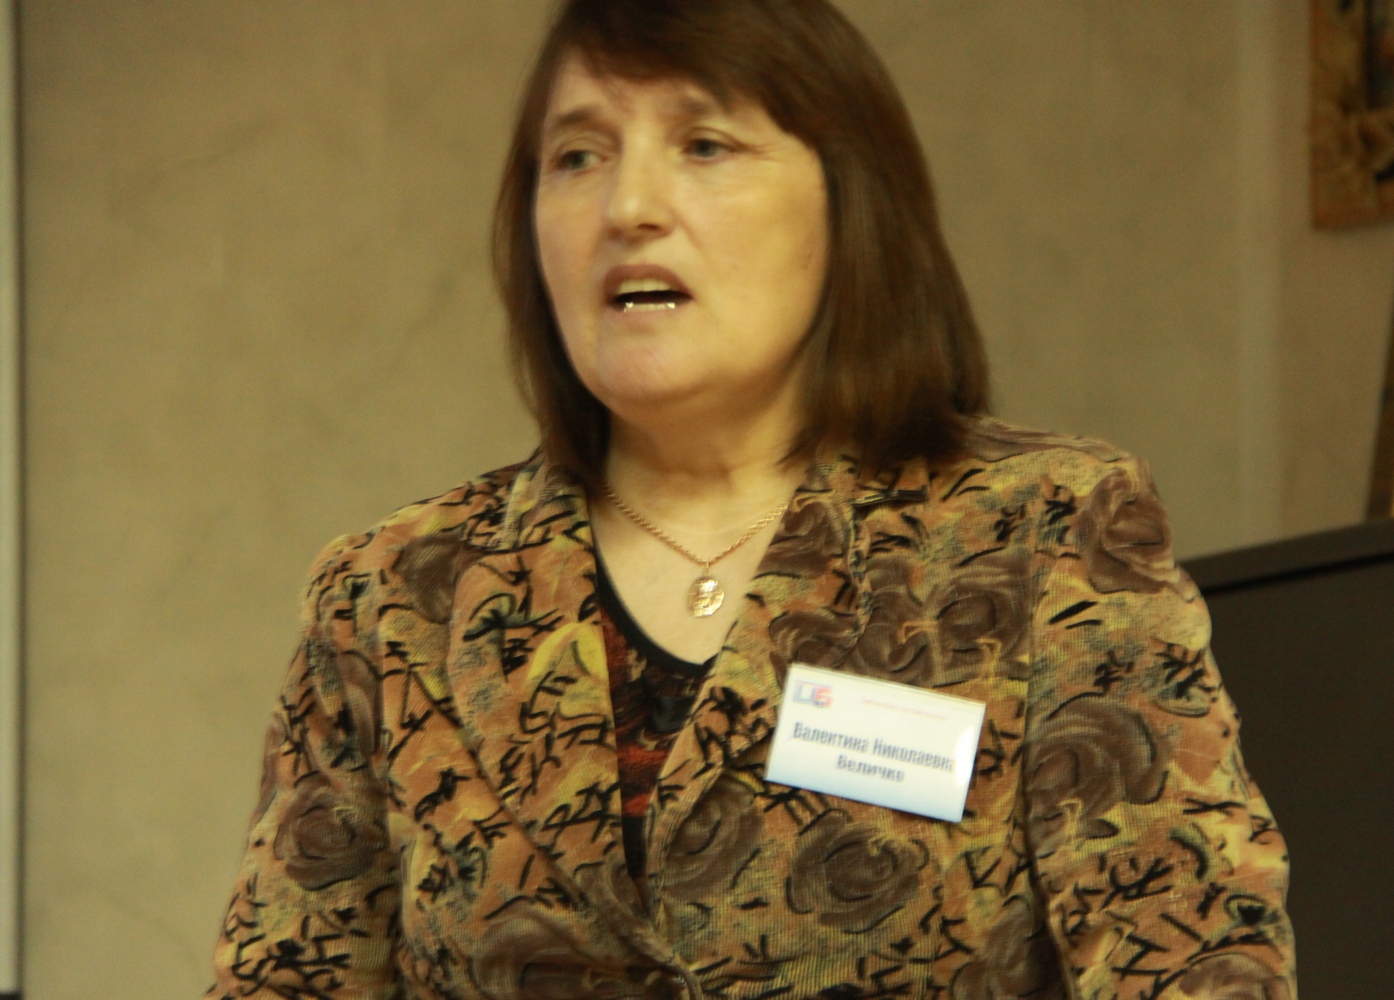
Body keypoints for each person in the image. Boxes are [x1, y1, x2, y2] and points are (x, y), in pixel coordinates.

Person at [208, 2, 1297, 998]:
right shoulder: (393, 596)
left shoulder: (1047, 531)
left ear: (847, 200)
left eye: (704, 146)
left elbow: (1195, 959)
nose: (629, 207)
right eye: (578, 155)